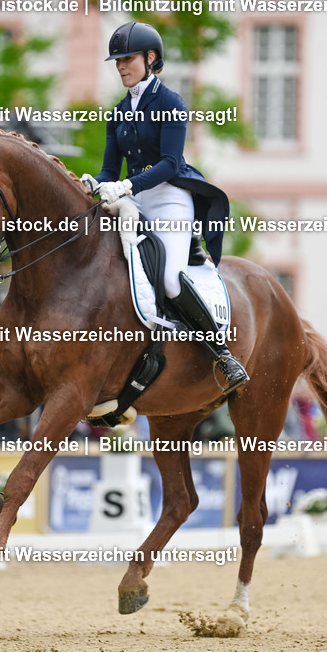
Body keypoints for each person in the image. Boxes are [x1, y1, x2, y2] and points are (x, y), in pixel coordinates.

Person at [79, 21, 248, 395]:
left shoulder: (171, 102)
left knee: (170, 279)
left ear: (150, 58)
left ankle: (222, 354)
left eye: (127, 59)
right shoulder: (118, 111)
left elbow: (171, 162)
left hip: (170, 197)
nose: (121, 66)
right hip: (135, 198)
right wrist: (93, 181)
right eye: (117, 60)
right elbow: (110, 168)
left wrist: (125, 185)